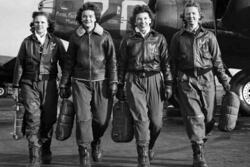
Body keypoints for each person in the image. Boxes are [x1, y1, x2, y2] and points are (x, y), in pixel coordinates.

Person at [169, 1, 231, 167]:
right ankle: (198, 152)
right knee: (194, 116)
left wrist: (224, 81)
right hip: (186, 81)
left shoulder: (209, 36)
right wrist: (171, 84)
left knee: (209, 119)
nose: (191, 16)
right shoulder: (177, 38)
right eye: (188, 14)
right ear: (184, 16)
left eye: (194, 14)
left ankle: (201, 138)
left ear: (199, 16)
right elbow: (172, 63)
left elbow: (217, 61)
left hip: (207, 80)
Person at [59, 2, 118, 167]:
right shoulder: (75, 37)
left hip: (102, 81)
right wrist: (64, 83)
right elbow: (69, 62)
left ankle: (96, 140)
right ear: (80, 18)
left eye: (91, 16)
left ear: (96, 18)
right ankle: (83, 151)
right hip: (80, 82)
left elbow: (112, 61)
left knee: (102, 120)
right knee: (83, 119)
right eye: (84, 16)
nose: (87, 19)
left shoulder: (105, 36)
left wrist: (113, 81)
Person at [117, 5, 172, 167]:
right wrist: (120, 85)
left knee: (156, 122)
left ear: (151, 20)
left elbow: (166, 63)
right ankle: (142, 154)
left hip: (154, 79)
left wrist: (168, 84)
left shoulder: (159, 38)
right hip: (134, 80)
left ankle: (150, 145)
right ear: (135, 21)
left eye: (145, 18)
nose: (142, 21)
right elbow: (121, 64)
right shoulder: (127, 39)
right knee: (141, 119)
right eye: (139, 19)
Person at [12, 11, 66, 167]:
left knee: (48, 120)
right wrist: (16, 86)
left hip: (49, 85)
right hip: (29, 84)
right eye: (37, 22)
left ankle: (46, 149)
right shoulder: (26, 42)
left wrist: (64, 83)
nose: (39, 25)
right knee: (33, 119)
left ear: (48, 24)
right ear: (33, 24)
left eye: (43, 22)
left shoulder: (56, 42)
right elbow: (19, 64)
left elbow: (64, 63)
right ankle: (35, 155)